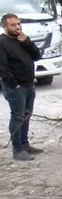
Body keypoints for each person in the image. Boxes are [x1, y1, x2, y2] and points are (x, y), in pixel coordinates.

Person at [0, 13, 43, 161]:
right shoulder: (2, 42)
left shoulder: (22, 39)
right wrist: (14, 84)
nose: (17, 27)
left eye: (18, 24)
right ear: (4, 26)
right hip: (16, 87)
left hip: (29, 84)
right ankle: (17, 149)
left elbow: (37, 56)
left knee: (26, 115)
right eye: (13, 25)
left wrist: (27, 42)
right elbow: (2, 67)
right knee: (17, 117)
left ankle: (25, 144)